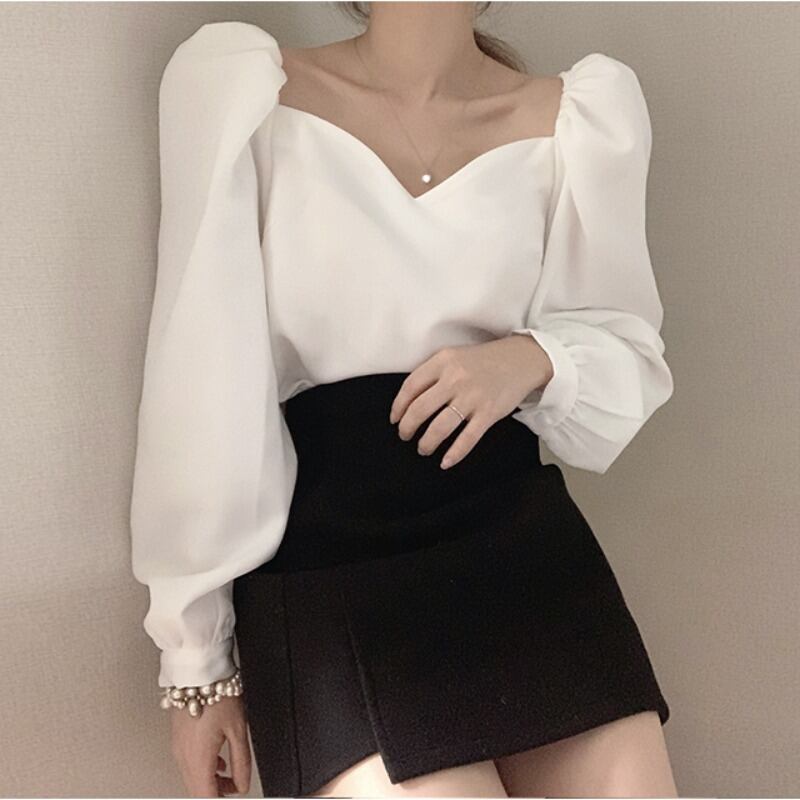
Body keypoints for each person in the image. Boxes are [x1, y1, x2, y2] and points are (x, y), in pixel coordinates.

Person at [130, 3, 678, 797]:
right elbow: (200, 375)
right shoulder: (246, 91)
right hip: (329, 561)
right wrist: (196, 663)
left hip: (517, 540)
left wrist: (529, 359)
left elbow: (626, 347)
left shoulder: (579, 117)